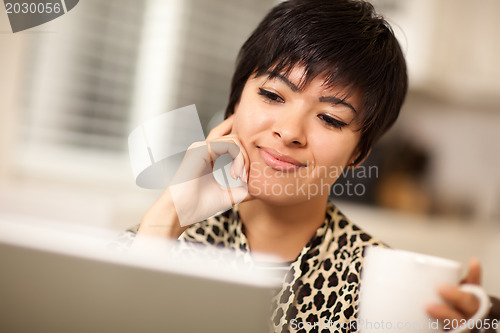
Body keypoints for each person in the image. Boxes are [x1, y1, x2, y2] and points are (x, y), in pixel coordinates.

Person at [128, 0, 500, 332]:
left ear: (359, 152)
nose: (290, 132)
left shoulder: (384, 285)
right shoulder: (157, 240)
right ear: (235, 102)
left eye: (331, 119)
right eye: (273, 95)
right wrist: (168, 214)